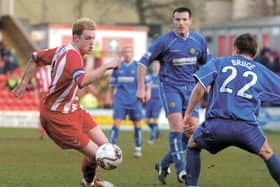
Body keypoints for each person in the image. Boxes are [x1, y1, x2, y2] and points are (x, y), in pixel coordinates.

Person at [12, 18, 118, 187]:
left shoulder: (63, 50)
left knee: (107, 148)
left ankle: (89, 182)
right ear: (76, 38)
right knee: (99, 155)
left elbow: (35, 57)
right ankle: (89, 184)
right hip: (58, 117)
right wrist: (106, 67)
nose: (92, 43)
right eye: (87, 38)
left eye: (93, 38)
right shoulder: (72, 56)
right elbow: (82, 81)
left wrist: (24, 82)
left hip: (73, 108)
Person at [183, 33, 280, 186]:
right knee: (267, 153)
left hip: (217, 125)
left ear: (235, 48)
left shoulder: (219, 62)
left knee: (192, 145)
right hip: (246, 128)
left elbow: (199, 88)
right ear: (254, 52)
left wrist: (188, 114)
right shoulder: (260, 70)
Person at [137, 7, 209, 184]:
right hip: (170, 88)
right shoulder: (164, 41)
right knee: (177, 127)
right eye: (177, 20)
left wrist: (210, 85)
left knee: (191, 134)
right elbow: (142, 62)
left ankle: (163, 164)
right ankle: (182, 170)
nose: (181, 23)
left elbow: (208, 65)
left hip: (191, 91)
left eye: (184, 19)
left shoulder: (198, 40)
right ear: (173, 21)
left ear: (190, 21)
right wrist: (140, 88)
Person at [109, 46, 151, 158]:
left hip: (135, 100)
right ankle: (111, 148)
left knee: (137, 124)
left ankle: (138, 148)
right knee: (116, 123)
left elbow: (148, 81)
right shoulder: (118, 67)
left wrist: (148, 91)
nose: (127, 54)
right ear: (123, 54)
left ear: (132, 53)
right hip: (120, 100)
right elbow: (112, 85)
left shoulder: (138, 66)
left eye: (129, 52)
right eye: (125, 52)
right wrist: (110, 98)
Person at [145, 61, 162, 144]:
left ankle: (151, 138)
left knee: (155, 119)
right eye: (154, 65)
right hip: (149, 100)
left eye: (157, 65)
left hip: (158, 100)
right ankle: (157, 132)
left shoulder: (162, 77)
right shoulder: (148, 77)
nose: (155, 67)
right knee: (146, 120)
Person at [34, 65, 51, 140]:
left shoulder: (52, 69)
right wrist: (36, 98)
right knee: (42, 115)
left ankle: (57, 133)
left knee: (54, 114)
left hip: (52, 93)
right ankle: (41, 133)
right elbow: (37, 87)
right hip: (43, 94)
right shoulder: (38, 73)